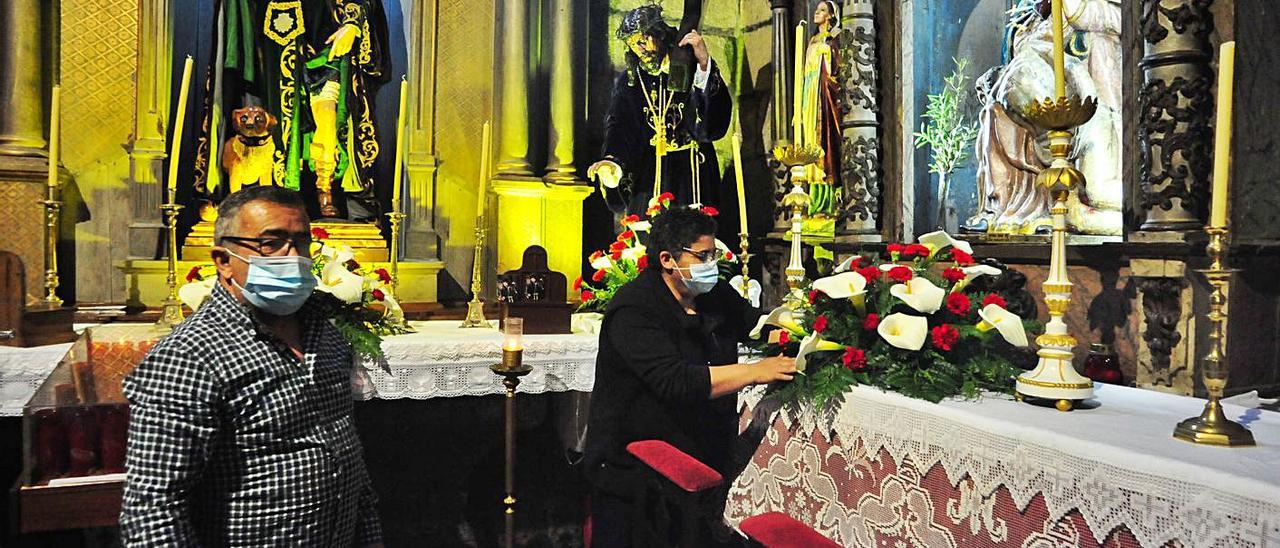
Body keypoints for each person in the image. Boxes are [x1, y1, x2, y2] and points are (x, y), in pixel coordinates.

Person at [120, 186, 383, 547]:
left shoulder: (325, 334)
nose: (293, 257)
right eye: (271, 243)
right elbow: (153, 508)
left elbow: (346, 452)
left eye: (301, 242)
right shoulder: (189, 356)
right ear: (223, 260)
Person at [584, 206, 797, 546]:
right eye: (704, 255)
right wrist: (755, 372)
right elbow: (675, 381)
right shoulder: (634, 309)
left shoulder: (713, 294)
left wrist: (801, 333)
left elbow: (757, 328)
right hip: (635, 465)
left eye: (714, 254)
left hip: (698, 449)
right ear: (668, 259)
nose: (712, 264)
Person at [192, 0, 391, 220]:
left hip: (324, 40)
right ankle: (275, 197)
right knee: (279, 121)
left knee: (327, 119)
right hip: (273, 39)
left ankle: (325, 189)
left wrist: (353, 24)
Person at [589, 4, 733, 218]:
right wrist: (612, 162)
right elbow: (619, 124)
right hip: (650, 173)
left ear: (660, 34)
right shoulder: (631, 81)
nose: (640, 49)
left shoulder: (689, 66)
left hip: (691, 172)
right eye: (633, 44)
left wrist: (703, 63)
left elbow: (711, 125)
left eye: (643, 40)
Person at [799, 0, 844, 218]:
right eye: (816, 9)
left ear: (831, 15)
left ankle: (828, 201)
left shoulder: (832, 39)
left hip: (824, 97)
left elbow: (836, 71)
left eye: (822, 10)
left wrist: (828, 51)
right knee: (810, 142)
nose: (817, 12)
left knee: (825, 143)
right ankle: (813, 201)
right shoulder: (812, 40)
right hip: (810, 95)